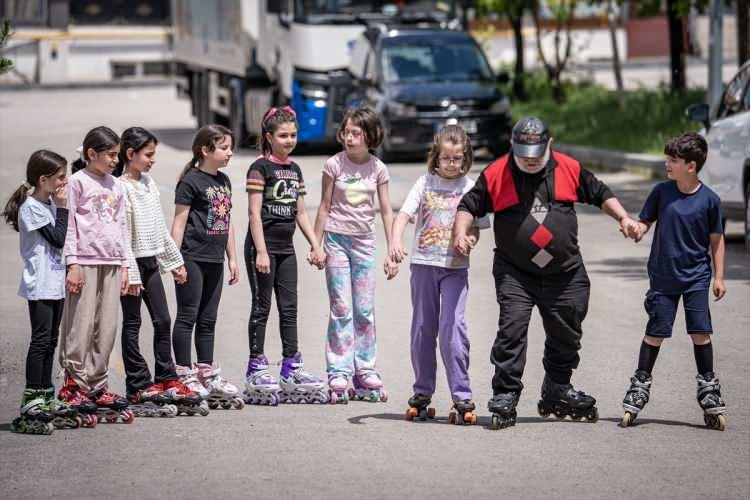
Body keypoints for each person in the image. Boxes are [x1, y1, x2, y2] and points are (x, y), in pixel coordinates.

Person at [454, 116, 639, 429]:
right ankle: (506, 393)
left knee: (567, 328)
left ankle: (557, 387)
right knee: (512, 330)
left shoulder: (567, 167)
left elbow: (599, 192)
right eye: (523, 152)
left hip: (565, 272)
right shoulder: (498, 172)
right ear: (513, 145)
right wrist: (461, 233)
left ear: (549, 145)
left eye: (536, 153)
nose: (529, 159)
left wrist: (624, 219)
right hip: (516, 272)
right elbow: (469, 204)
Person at [620, 132, 728, 431]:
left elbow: (717, 241)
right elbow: (645, 222)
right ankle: (640, 383)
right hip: (663, 276)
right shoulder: (661, 192)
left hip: (696, 277)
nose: (667, 164)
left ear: (691, 166)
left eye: (673, 160)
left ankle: (708, 386)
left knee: (700, 332)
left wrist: (718, 276)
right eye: (668, 159)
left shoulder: (710, 201)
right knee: (655, 333)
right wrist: (636, 229)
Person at [391, 125, 490, 424]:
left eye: (457, 158)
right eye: (445, 158)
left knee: (453, 329)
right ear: (436, 157)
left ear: (466, 158)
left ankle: (461, 394)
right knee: (423, 328)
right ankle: (422, 391)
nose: (451, 164)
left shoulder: (471, 188)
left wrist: (470, 239)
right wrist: (395, 241)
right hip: (423, 264)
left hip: (454, 269)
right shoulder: (424, 183)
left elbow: (476, 227)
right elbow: (404, 216)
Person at [114, 127, 205, 417]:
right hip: (129, 265)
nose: (153, 160)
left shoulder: (149, 183)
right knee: (132, 323)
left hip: (150, 261)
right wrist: (130, 270)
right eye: (149, 154)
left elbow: (157, 229)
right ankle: (137, 384)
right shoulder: (120, 187)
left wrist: (174, 261)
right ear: (131, 154)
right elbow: (122, 234)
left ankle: (165, 377)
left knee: (163, 319)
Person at [243, 106, 329, 405]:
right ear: (269, 137)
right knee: (262, 307)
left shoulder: (295, 170)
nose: (289, 140)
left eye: (293, 135)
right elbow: (254, 214)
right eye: (283, 136)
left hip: (287, 248)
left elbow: (301, 212)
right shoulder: (259, 168)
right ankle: (256, 366)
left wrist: (315, 244)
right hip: (262, 247)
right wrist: (262, 252)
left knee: (289, 308)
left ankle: (291, 366)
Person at [2, 150, 92, 433]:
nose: (64, 182)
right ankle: (31, 398)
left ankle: (45, 394)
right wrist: (64, 209)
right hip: (39, 284)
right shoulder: (31, 207)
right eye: (60, 177)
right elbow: (56, 239)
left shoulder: (51, 204)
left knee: (52, 341)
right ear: (43, 180)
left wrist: (61, 207)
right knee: (40, 341)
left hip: (55, 283)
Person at [312, 106, 395, 403]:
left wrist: (392, 247)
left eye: (355, 133)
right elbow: (323, 206)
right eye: (346, 132)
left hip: (364, 244)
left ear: (370, 136)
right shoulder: (334, 165)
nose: (349, 138)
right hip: (335, 241)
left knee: (364, 309)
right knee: (342, 307)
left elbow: (386, 210)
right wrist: (316, 244)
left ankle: (365, 368)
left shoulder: (378, 169)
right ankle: (338, 369)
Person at [57, 126, 135, 424]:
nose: (115, 160)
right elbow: (69, 226)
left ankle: (97, 384)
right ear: (92, 154)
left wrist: (127, 265)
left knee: (107, 326)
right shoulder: (77, 183)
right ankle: (73, 383)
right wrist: (72, 263)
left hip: (113, 262)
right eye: (111, 155)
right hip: (85, 263)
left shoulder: (116, 185)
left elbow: (122, 227)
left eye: (117, 155)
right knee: (81, 323)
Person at [171, 124, 244, 410]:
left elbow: (227, 223)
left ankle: (206, 372)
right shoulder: (190, 181)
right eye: (224, 147)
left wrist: (233, 257)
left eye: (230, 147)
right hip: (192, 257)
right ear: (206, 150)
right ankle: (183, 373)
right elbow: (178, 223)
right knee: (187, 316)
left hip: (215, 259)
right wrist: (175, 260)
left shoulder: (223, 181)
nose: (229, 153)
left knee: (208, 319)